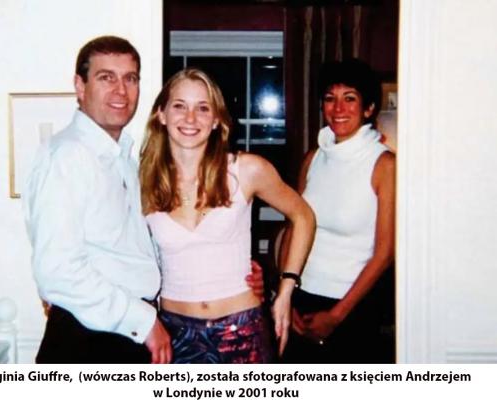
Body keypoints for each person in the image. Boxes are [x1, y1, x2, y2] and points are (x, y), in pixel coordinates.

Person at [139, 68, 315, 363]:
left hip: (242, 330)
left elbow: (303, 216)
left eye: (203, 108)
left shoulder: (246, 170)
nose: (190, 118)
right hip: (172, 335)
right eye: (179, 106)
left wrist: (285, 290)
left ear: (216, 120)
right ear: (161, 115)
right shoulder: (142, 181)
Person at [23, 35, 172, 363]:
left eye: (130, 79)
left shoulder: (124, 158)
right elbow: (58, 270)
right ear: (80, 85)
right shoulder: (68, 156)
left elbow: (136, 254)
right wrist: (143, 321)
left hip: (123, 333)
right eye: (107, 77)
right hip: (90, 339)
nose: (121, 91)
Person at [280, 59, 396, 363]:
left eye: (350, 98)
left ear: (369, 108)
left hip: (352, 305)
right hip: (301, 296)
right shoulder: (313, 158)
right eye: (330, 98)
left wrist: (336, 316)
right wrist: (285, 294)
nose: (338, 108)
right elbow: (293, 229)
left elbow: (385, 253)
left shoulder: (385, 165)